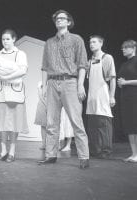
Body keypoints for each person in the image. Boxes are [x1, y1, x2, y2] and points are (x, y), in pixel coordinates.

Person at [39, 10, 90, 169]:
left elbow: (82, 65)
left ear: (69, 22)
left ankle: (84, 157)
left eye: (62, 18)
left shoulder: (76, 40)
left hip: (70, 83)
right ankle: (51, 155)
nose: (59, 20)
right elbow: (45, 67)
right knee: (51, 123)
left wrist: (80, 84)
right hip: (53, 83)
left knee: (76, 121)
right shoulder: (49, 42)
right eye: (57, 19)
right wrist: (44, 87)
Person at [0, 29, 29, 162]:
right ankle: (3, 151)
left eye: (8, 39)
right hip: (0, 91)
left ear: (14, 39)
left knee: (14, 122)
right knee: (1, 122)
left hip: (14, 91)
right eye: (3, 39)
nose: (5, 41)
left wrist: (6, 77)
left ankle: (12, 152)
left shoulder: (20, 54)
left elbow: (23, 70)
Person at [86, 35, 116, 158]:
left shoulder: (107, 58)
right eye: (90, 42)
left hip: (103, 95)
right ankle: (94, 150)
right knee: (92, 125)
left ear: (101, 43)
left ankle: (106, 150)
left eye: (94, 42)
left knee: (104, 123)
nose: (91, 44)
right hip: (92, 97)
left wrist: (112, 96)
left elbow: (112, 78)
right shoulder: (90, 60)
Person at [34, 81, 73, 151]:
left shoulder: (56, 81)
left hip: (56, 103)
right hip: (43, 103)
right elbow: (40, 94)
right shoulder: (40, 83)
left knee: (59, 124)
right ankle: (44, 143)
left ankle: (59, 144)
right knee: (43, 124)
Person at [117, 40, 137, 163]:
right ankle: (134, 154)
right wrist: (121, 83)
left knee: (136, 125)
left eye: (126, 47)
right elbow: (121, 80)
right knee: (130, 126)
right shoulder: (124, 64)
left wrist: (126, 82)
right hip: (126, 97)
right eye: (122, 47)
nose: (123, 49)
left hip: (135, 97)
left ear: (133, 48)